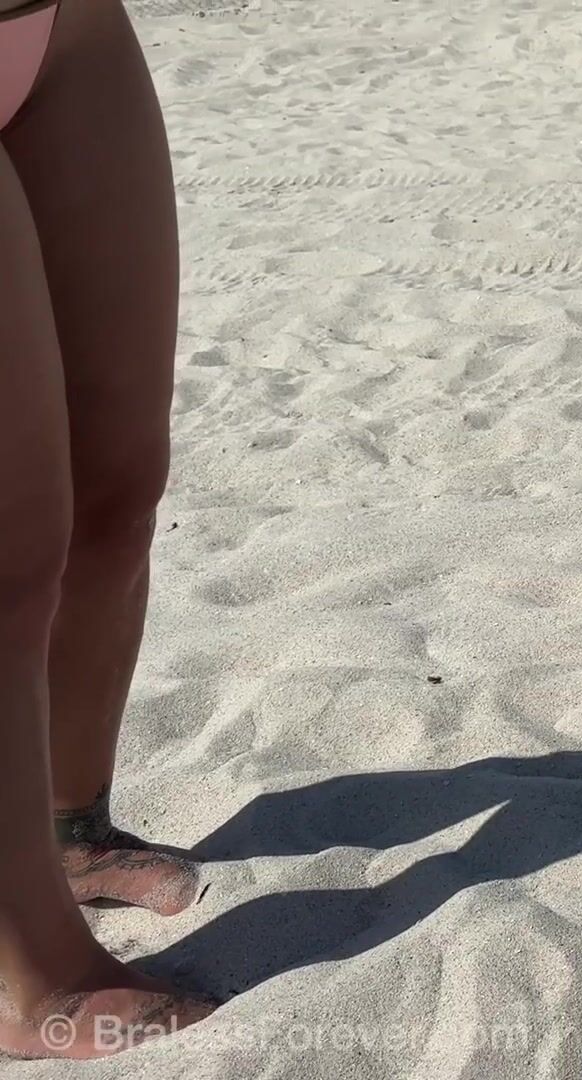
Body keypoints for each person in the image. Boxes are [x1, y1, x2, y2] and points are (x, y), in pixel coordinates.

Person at [2, 0, 215, 1058]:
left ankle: (67, 831)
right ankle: (23, 972)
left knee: (116, 483)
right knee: (6, 546)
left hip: (61, 26)